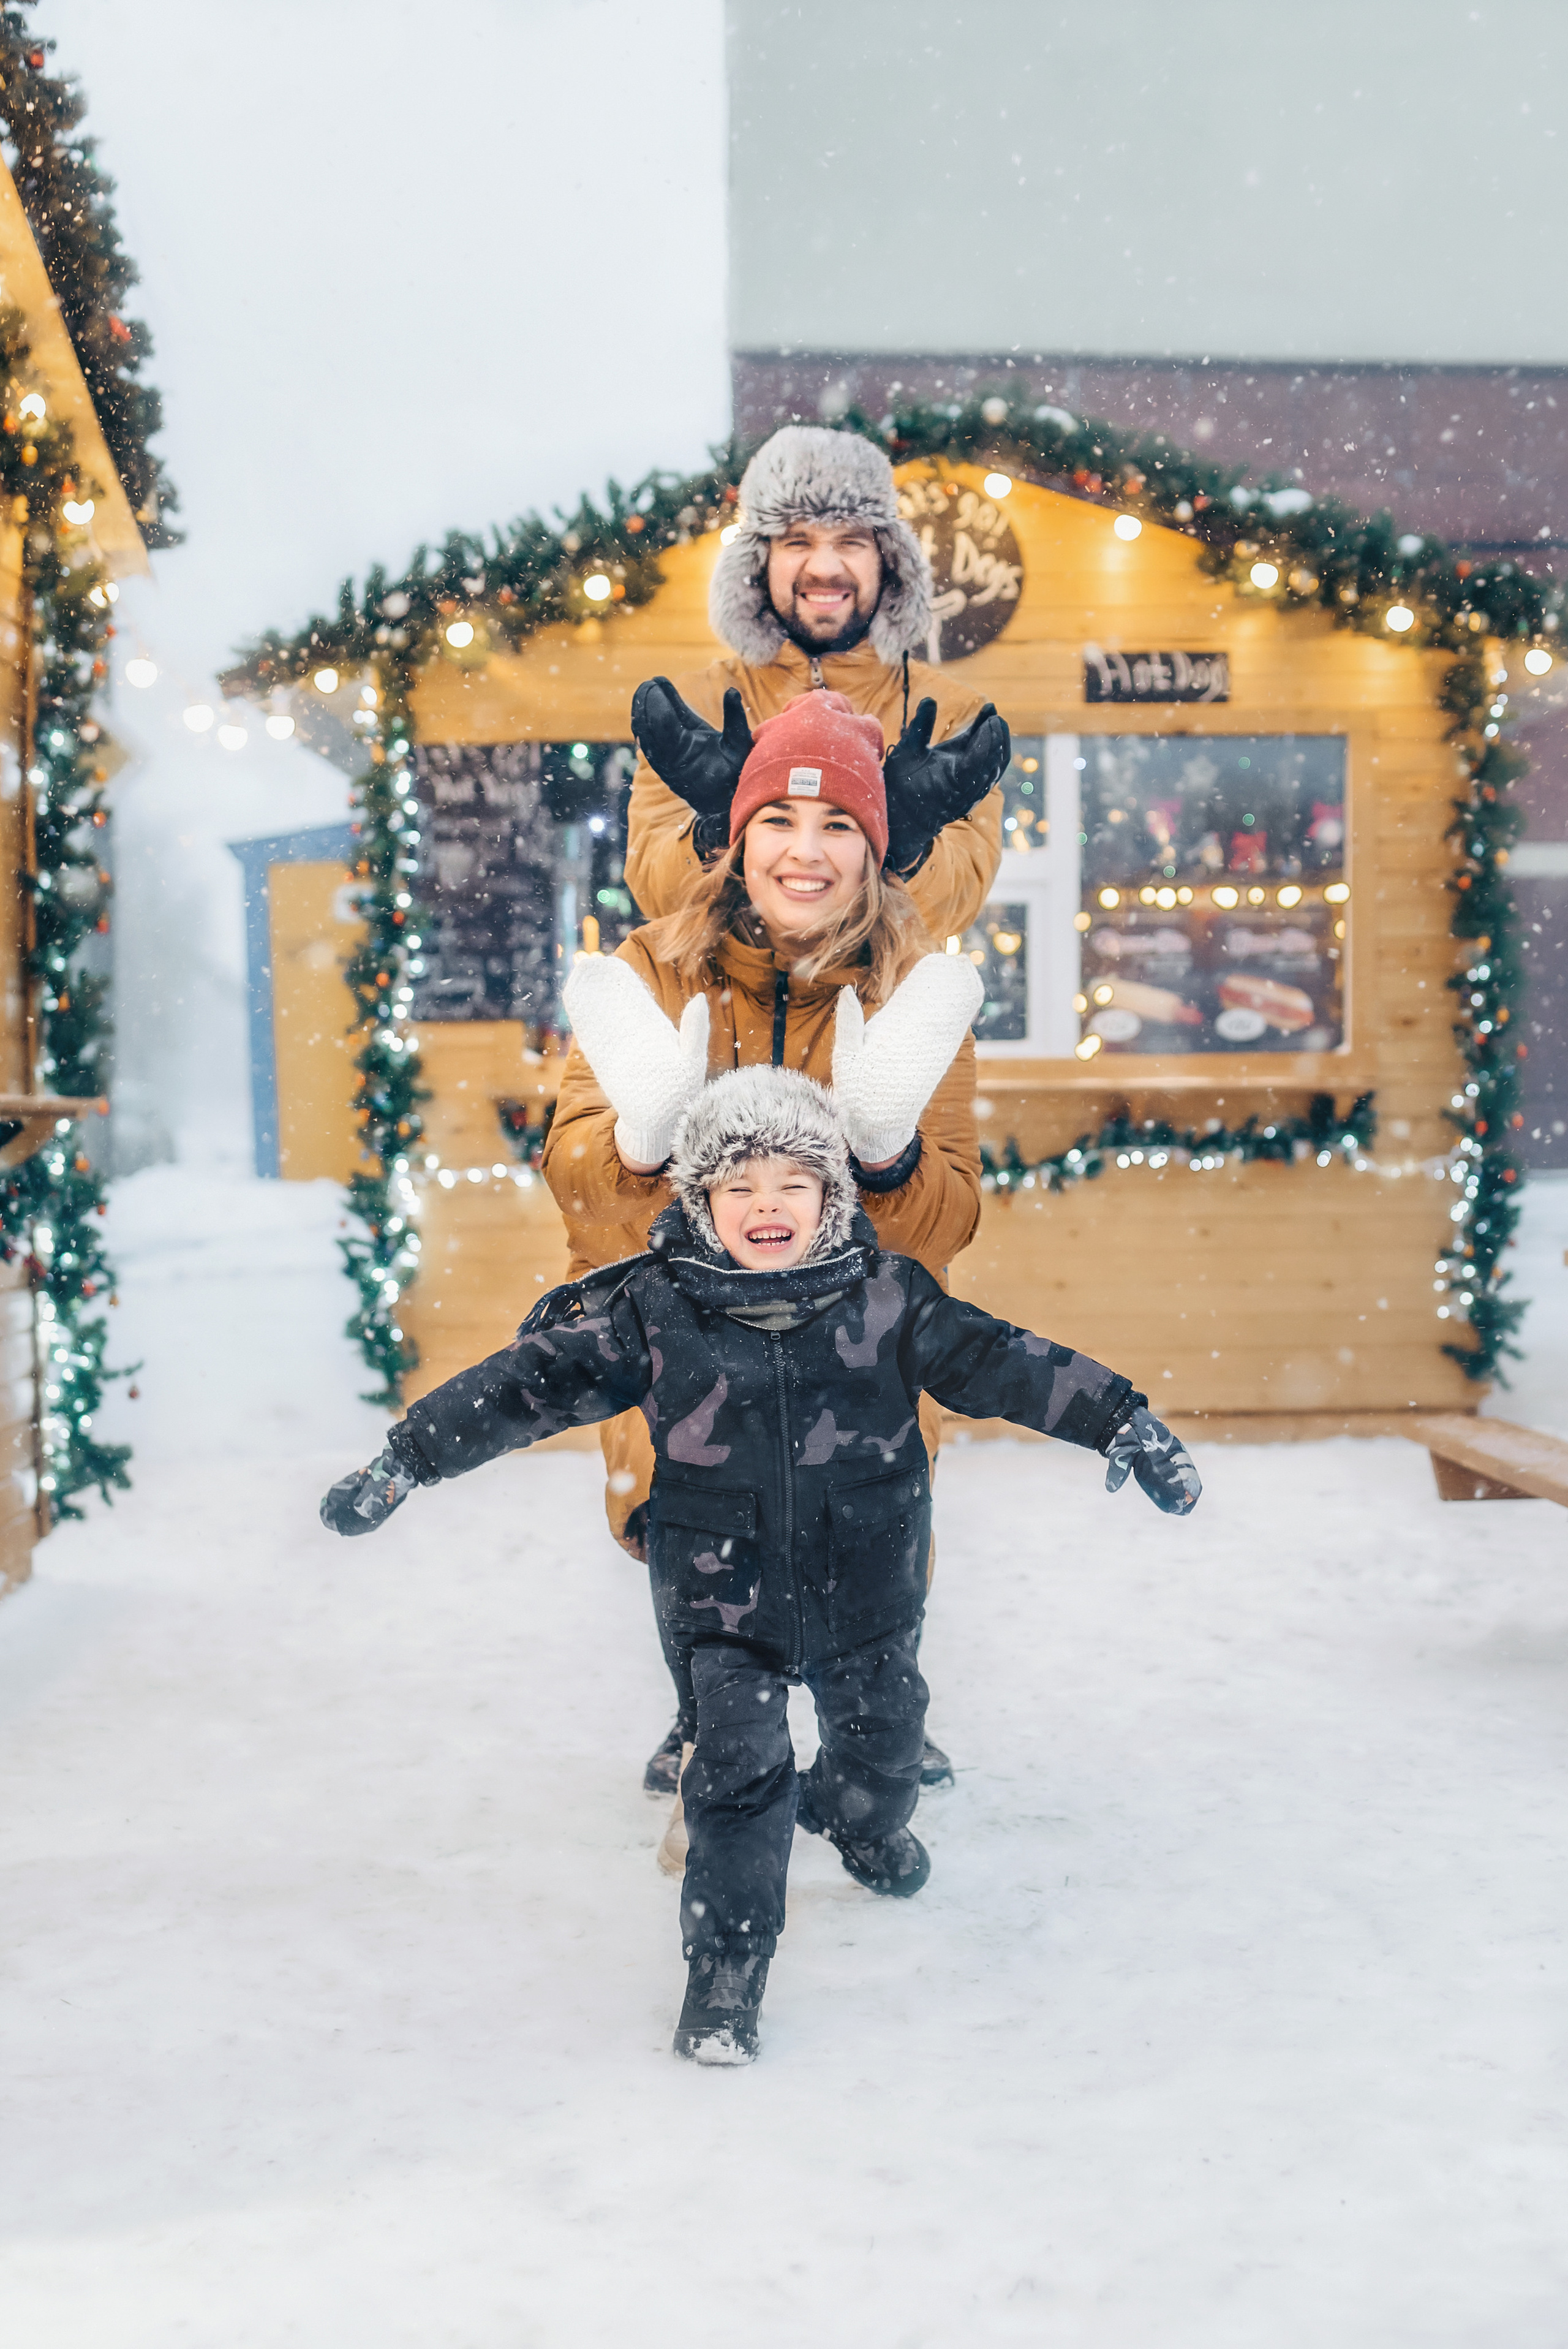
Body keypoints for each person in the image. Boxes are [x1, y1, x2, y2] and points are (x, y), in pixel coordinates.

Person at [320, 1059, 1202, 2067]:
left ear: (831, 1192)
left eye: (791, 1182)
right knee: (737, 1777)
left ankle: (858, 1821)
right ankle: (726, 1976)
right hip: (718, 1599)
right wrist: (409, 1455)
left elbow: (1008, 1361)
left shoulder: (890, 1298)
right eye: (738, 1186)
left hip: (867, 1589)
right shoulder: (650, 1310)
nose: (765, 1204)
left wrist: (1118, 1417)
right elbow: (530, 1381)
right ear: (700, 1201)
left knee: (885, 1751)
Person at [543, 690, 983, 1799]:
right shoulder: (653, 966)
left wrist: (885, 1157)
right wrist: (642, 1141)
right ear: (738, 838)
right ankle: (711, 1712)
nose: (807, 851)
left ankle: (873, 1721)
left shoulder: (916, 989)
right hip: (688, 1330)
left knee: (868, 1533)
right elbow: (576, 1177)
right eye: (781, 822)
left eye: (840, 824)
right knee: (701, 1524)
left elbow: (951, 1217)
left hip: (852, 1337)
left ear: (875, 850)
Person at [624, 422, 1009, 939]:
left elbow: (953, 908)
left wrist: (910, 845)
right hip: (730, 1016)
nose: (825, 567)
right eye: (797, 541)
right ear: (759, 563)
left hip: (883, 1014)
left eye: (851, 541)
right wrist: (715, 833)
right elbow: (658, 894)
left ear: (887, 561)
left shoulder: (951, 715)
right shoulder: (694, 707)